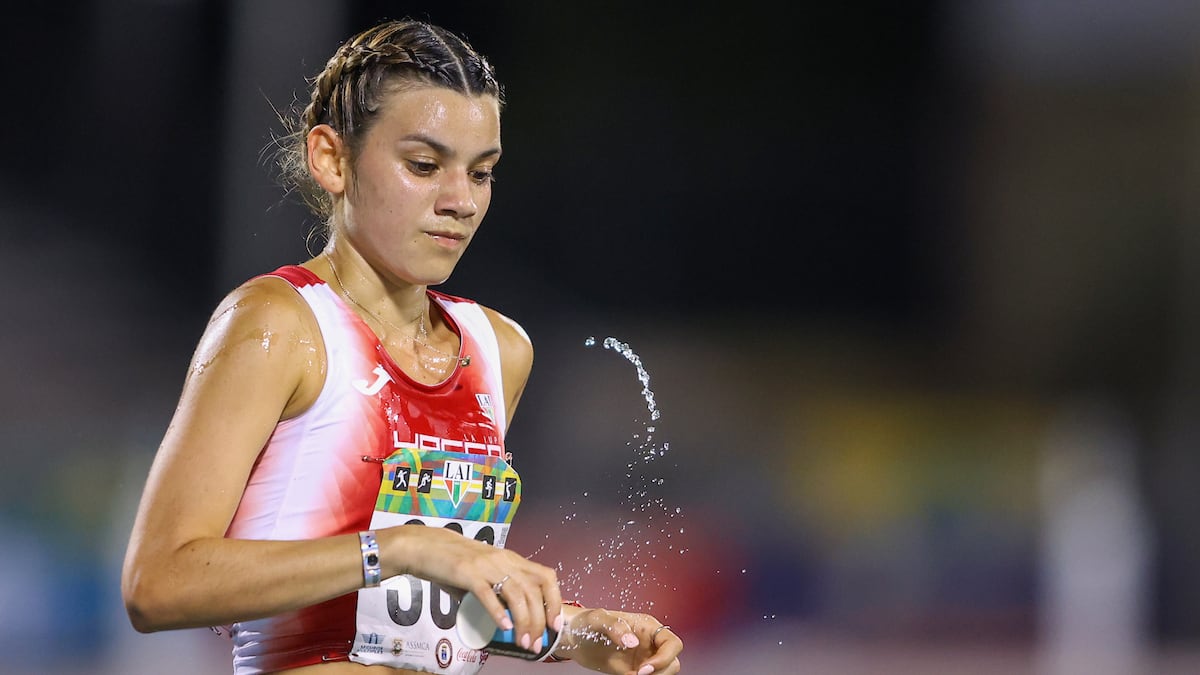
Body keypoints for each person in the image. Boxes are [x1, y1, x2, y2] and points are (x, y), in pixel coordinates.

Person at [121, 17, 683, 675]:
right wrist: (403, 546)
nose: (460, 201)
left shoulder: (499, 350)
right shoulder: (278, 325)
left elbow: (416, 616)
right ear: (331, 158)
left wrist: (572, 633)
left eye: (482, 173)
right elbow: (156, 583)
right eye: (424, 165)